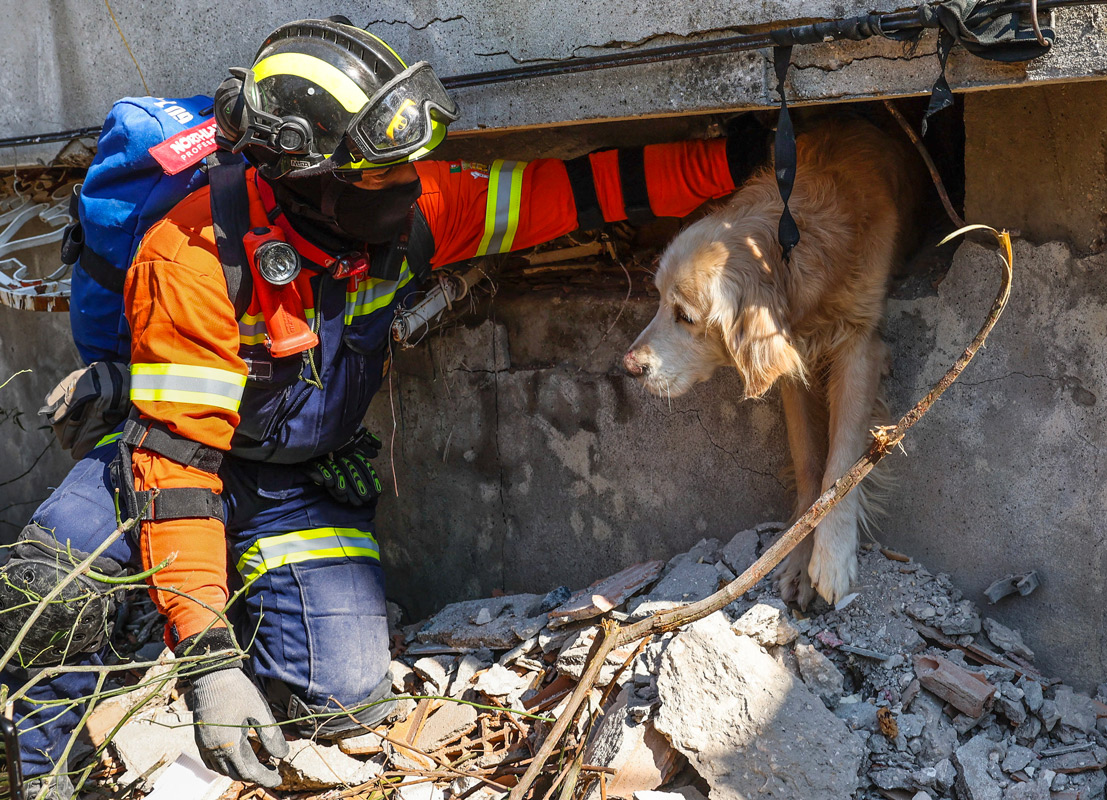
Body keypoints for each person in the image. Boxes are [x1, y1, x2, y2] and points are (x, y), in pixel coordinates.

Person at [0, 16, 770, 796]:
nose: (409, 183)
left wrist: (727, 160)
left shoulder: (412, 212)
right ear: (306, 175)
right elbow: (178, 473)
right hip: (171, 469)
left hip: (291, 484)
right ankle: (46, 771)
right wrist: (205, 663)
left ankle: (218, 610)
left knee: (346, 697)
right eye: (379, 173)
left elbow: (565, 192)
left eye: (408, 165)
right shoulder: (193, 257)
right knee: (50, 587)